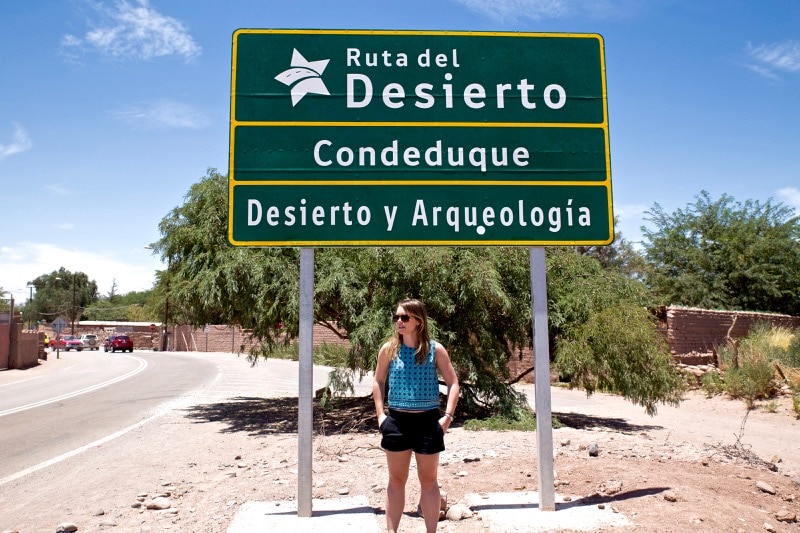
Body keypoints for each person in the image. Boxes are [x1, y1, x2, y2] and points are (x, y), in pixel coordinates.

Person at [372, 298, 460, 533]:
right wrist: (381, 416)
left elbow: (453, 383)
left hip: (428, 422)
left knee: (429, 481)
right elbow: (378, 381)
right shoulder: (389, 349)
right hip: (397, 421)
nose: (399, 322)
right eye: (397, 317)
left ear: (418, 321)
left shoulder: (435, 349)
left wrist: (448, 417)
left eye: (405, 317)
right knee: (396, 481)